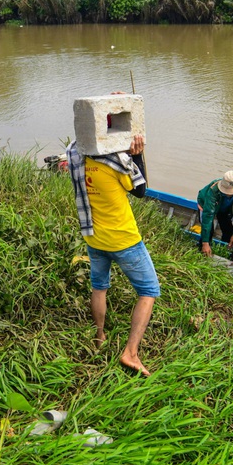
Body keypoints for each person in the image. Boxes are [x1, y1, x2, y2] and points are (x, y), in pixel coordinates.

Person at [66, 132, 160, 377]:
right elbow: (140, 191)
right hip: (123, 239)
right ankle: (130, 352)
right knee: (149, 291)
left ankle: (99, 336)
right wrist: (137, 157)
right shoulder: (115, 162)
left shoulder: (76, 155)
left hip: (94, 236)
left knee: (99, 287)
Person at [196, 170, 233, 257]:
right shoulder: (213, 190)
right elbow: (208, 216)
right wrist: (205, 243)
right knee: (208, 230)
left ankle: (224, 250)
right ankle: (202, 250)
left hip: (227, 208)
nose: (229, 194)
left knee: (228, 231)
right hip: (206, 204)